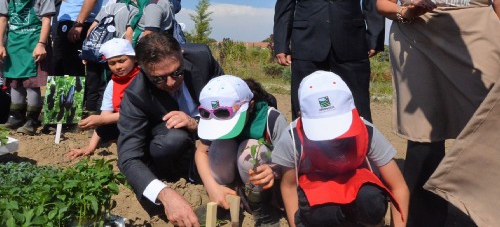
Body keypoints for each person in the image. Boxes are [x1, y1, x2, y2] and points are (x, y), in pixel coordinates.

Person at [375, 0, 500, 226]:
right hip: (418, 42)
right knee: (424, 136)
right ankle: (424, 219)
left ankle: (478, 214)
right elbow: (383, 2)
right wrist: (404, 10)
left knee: (484, 126)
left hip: (476, 37)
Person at [274, 71, 409, 227]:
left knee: (370, 199)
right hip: (318, 197)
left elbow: (398, 187)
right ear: (302, 117)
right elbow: (289, 186)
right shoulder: (293, 139)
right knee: (323, 212)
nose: (332, 138)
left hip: (358, 193)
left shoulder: (366, 132)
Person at [117, 32, 223, 227]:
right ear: (142, 69)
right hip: (170, 148)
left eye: (177, 72)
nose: (171, 83)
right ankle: (179, 176)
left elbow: (228, 104)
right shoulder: (135, 95)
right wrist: (165, 193)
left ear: (181, 54)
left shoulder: (202, 57)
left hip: (211, 139)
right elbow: (128, 158)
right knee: (172, 140)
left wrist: (196, 122)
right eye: (159, 79)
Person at [195, 75, 287, 227]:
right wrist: (212, 187)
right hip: (231, 177)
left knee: (250, 151)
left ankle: (262, 208)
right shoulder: (212, 115)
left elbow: (292, 161)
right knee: (220, 147)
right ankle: (226, 200)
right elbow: (201, 152)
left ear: (250, 106)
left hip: (263, 183)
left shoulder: (271, 119)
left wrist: (274, 170)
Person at [0, 0, 56, 135]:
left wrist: (41, 44)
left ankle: (31, 120)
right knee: (14, 81)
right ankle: (15, 116)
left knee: (32, 83)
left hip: (34, 42)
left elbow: (46, 21)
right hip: (14, 43)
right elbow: (2, 20)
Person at [54, 0, 107, 113]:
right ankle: (60, 111)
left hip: (77, 21)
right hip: (67, 19)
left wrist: (79, 23)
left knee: (73, 67)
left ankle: (70, 112)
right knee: (61, 65)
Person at [67, 38, 140, 159]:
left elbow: (140, 113)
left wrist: (103, 120)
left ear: (134, 59)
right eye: (112, 63)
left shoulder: (143, 79)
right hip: (125, 124)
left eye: (122, 61)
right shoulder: (113, 83)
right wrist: (90, 148)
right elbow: (105, 116)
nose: (117, 67)